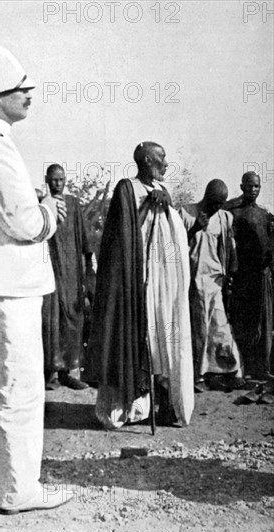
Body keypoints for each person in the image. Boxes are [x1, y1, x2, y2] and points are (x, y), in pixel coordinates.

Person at [0, 45, 74, 514]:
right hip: (10, 287)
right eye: (21, 87)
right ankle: (20, 489)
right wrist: (49, 212)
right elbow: (22, 223)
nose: (29, 94)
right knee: (17, 390)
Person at [84, 142, 194, 428]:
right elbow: (122, 235)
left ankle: (161, 404)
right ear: (146, 160)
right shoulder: (127, 188)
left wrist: (163, 200)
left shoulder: (162, 191)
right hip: (131, 280)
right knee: (131, 339)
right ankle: (125, 409)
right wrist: (150, 203)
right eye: (161, 158)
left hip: (160, 280)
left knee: (161, 341)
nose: (166, 164)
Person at [178, 179, 243, 392]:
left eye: (221, 203)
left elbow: (229, 247)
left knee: (221, 327)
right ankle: (197, 375)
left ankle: (226, 371)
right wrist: (195, 228)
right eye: (214, 202)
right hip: (194, 281)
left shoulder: (224, 217)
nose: (217, 207)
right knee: (199, 330)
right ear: (206, 197)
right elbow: (174, 247)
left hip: (215, 281)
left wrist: (231, 274)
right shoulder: (186, 213)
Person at [42, 164, 94, 391]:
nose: (58, 184)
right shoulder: (42, 206)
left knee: (72, 320)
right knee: (50, 321)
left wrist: (89, 264)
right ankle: (48, 372)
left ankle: (67, 371)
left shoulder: (73, 204)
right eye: (54, 180)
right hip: (49, 273)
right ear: (47, 180)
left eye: (61, 179)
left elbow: (84, 239)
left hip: (72, 274)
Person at [225, 172, 273, 380]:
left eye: (257, 186)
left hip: (261, 276)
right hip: (242, 276)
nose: (253, 190)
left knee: (263, 322)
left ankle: (261, 368)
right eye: (250, 186)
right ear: (242, 186)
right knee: (242, 322)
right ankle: (241, 368)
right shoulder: (232, 213)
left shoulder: (265, 214)